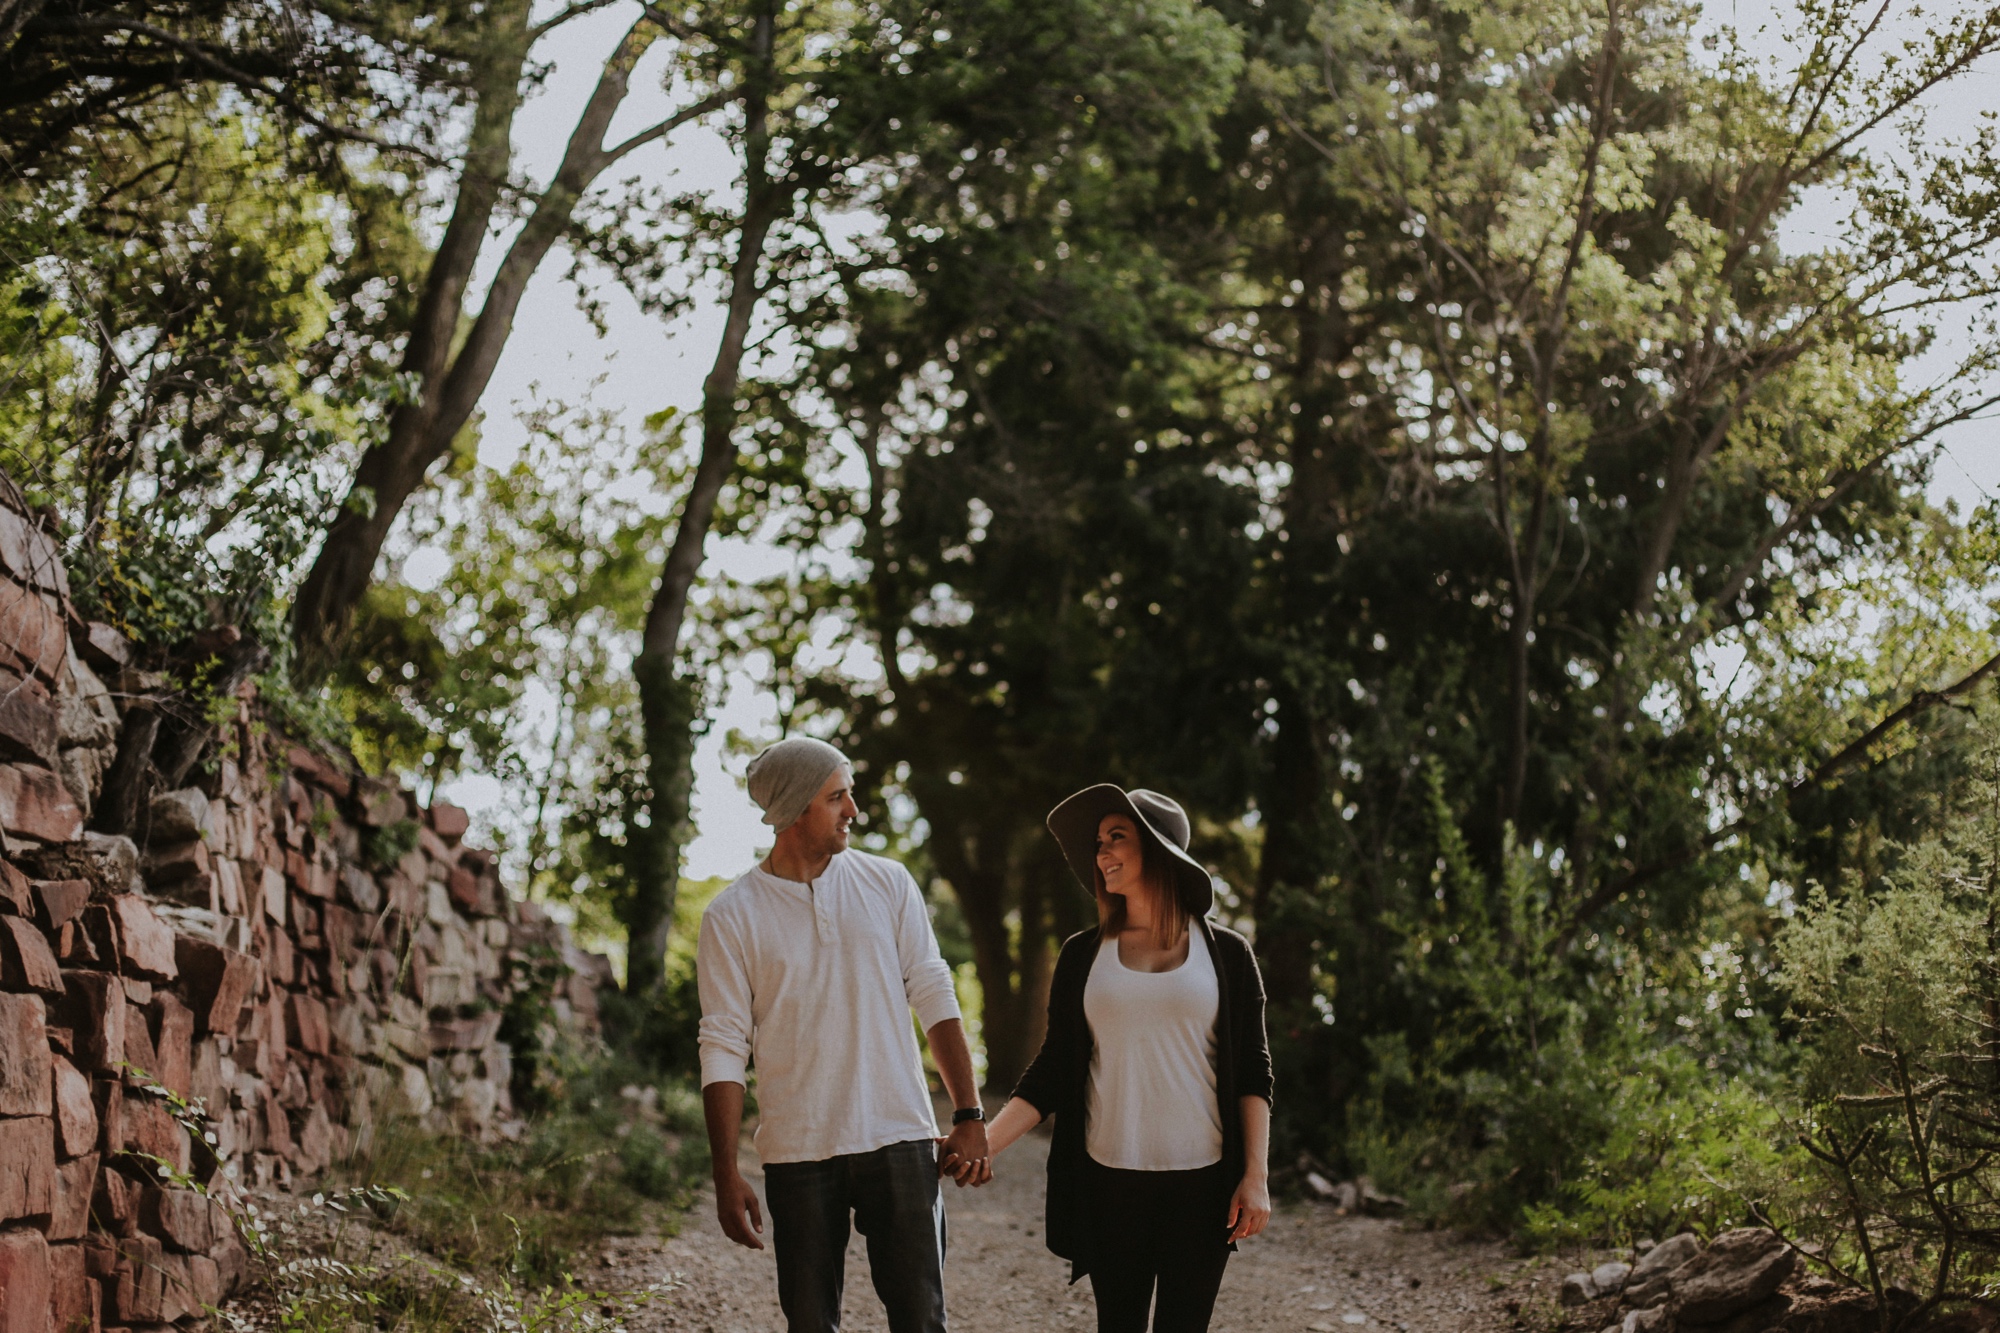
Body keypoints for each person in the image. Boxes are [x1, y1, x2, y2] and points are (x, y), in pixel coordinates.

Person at [695, 737, 990, 1333]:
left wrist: (969, 1113)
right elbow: (723, 1044)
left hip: (900, 1136)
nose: (853, 808)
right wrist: (725, 1171)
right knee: (809, 1324)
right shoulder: (731, 916)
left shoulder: (888, 883)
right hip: (798, 1150)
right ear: (794, 809)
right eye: (837, 797)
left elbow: (933, 991)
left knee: (922, 1321)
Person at [978, 784, 1273, 1333]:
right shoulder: (1083, 955)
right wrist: (982, 1144)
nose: (1102, 853)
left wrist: (1255, 1175)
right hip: (1109, 1180)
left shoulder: (1228, 954)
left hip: (1203, 1185)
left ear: (1160, 849)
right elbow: (1055, 1069)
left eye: (1117, 837)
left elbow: (1253, 1071)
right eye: (1097, 843)